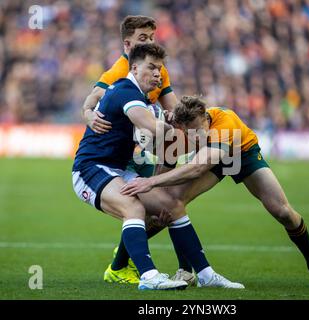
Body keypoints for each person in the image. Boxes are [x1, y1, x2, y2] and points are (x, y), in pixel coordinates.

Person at [72, 44, 244, 290]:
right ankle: (149, 277)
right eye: (151, 67)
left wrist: (165, 122)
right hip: (90, 169)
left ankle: (206, 275)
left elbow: (154, 131)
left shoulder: (138, 96)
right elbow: (153, 128)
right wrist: (167, 123)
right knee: (132, 205)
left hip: (117, 169)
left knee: (172, 205)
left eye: (160, 69)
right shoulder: (125, 91)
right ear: (134, 67)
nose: (157, 74)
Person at [121, 95, 309, 289]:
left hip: (242, 155)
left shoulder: (225, 124)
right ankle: (185, 271)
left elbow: (198, 167)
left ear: (206, 117)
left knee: (282, 211)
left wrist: (152, 182)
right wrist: (158, 194)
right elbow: (169, 165)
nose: (197, 135)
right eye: (191, 132)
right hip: (212, 158)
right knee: (171, 201)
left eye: (200, 129)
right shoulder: (182, 127)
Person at [80, 15, 197, 284]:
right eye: (143, 39)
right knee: (136, 206)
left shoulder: (157, 69)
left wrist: (185, 123)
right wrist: (87, 113)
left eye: (152, 38)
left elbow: (174, 109)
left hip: (137, 149)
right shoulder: (119, 74)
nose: (149, 42)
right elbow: (93, 98)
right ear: (127, 44)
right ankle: (146, 271)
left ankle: (192, 271)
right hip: (121, 154)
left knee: (169, 205)